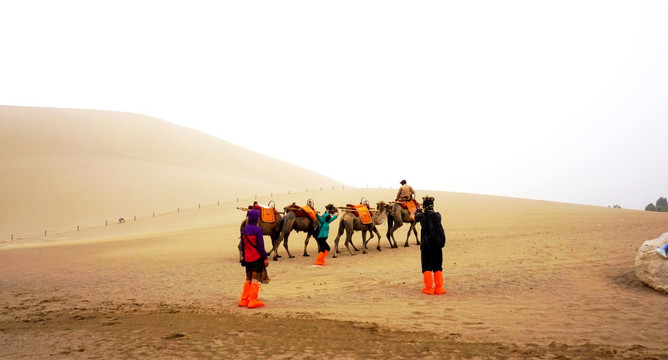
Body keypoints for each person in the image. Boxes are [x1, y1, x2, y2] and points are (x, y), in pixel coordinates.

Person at [410, 196, 446, 295]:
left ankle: (429, 288)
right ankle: (439, 288)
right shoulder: (438, 215)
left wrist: (413, 211)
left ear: (424, 206)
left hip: (426, 245)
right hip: (437, 244)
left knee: (426, 266)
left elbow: (412, 218)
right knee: (438, 266)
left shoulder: (422, 216)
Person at [238, 209, 269, 308]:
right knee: (255, 279)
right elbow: (260, 246)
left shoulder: (244, 230)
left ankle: (243, 300)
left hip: (247, 259)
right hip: (256, 258)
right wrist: (265, 258)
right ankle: (253, 300)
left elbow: (242, 246)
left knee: (248, 278)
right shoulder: (258, 230)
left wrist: (244, 256)